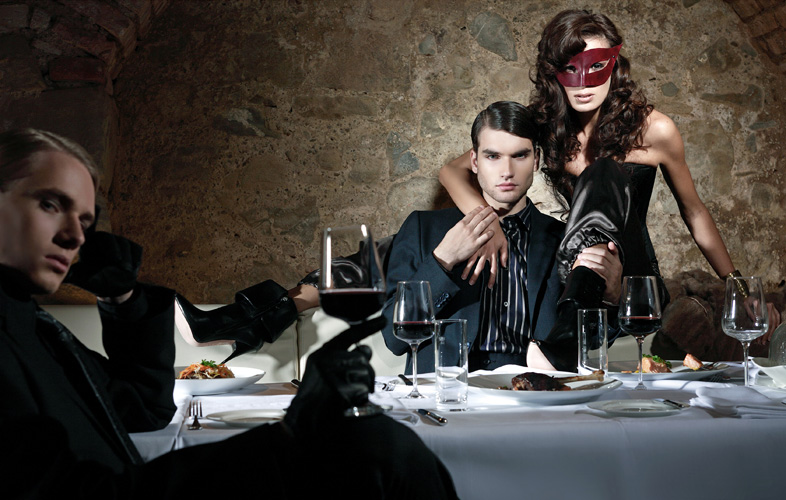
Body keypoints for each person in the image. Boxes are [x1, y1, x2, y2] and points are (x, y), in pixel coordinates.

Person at [0, 128, 458, 499]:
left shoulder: (30, 324)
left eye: (85, 221)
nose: (75, 237)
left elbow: (140, 409)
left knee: (382, 447)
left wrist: (122, 298)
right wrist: (291, 437)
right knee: (380, 452)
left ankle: (232, 323)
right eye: (50, 204)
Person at [438, 9, 780, 342]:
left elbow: (694, 211)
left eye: (596, 66)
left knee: (603, 170)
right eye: (571, 68)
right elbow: (452, 171)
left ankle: (567, 332)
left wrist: (739, 289)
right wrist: (489, 224)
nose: (584, 83)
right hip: (575, 268)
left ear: (614, 65)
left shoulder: (655, 130)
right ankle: (570, 323)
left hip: (636, 283)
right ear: (553, 71)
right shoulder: (544, 125)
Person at [381, 102, 622, 372]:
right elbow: (394, 338)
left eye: (519, 155)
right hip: (449, 389)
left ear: (536, 160)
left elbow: (587, 343)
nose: (507, 171)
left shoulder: (563, 239)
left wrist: (611, 299)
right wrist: (443, 259)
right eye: (493, 156)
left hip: (534, 389)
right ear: (474, 161)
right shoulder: (423, 228)